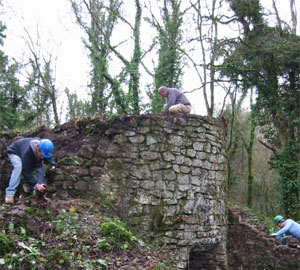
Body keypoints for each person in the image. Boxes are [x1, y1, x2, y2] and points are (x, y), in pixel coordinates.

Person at [5, 137, 56, 204]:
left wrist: (53, 164)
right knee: (18, 167)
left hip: (28, 153)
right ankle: (10, 194)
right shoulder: (27, 154)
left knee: (41, 166)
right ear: (38, 149)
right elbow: (26, 172)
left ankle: (38, 193)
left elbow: (48, 155)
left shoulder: (44, 145)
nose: (43, 157)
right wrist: (36, 184)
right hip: (14, 151)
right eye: (42, 155)